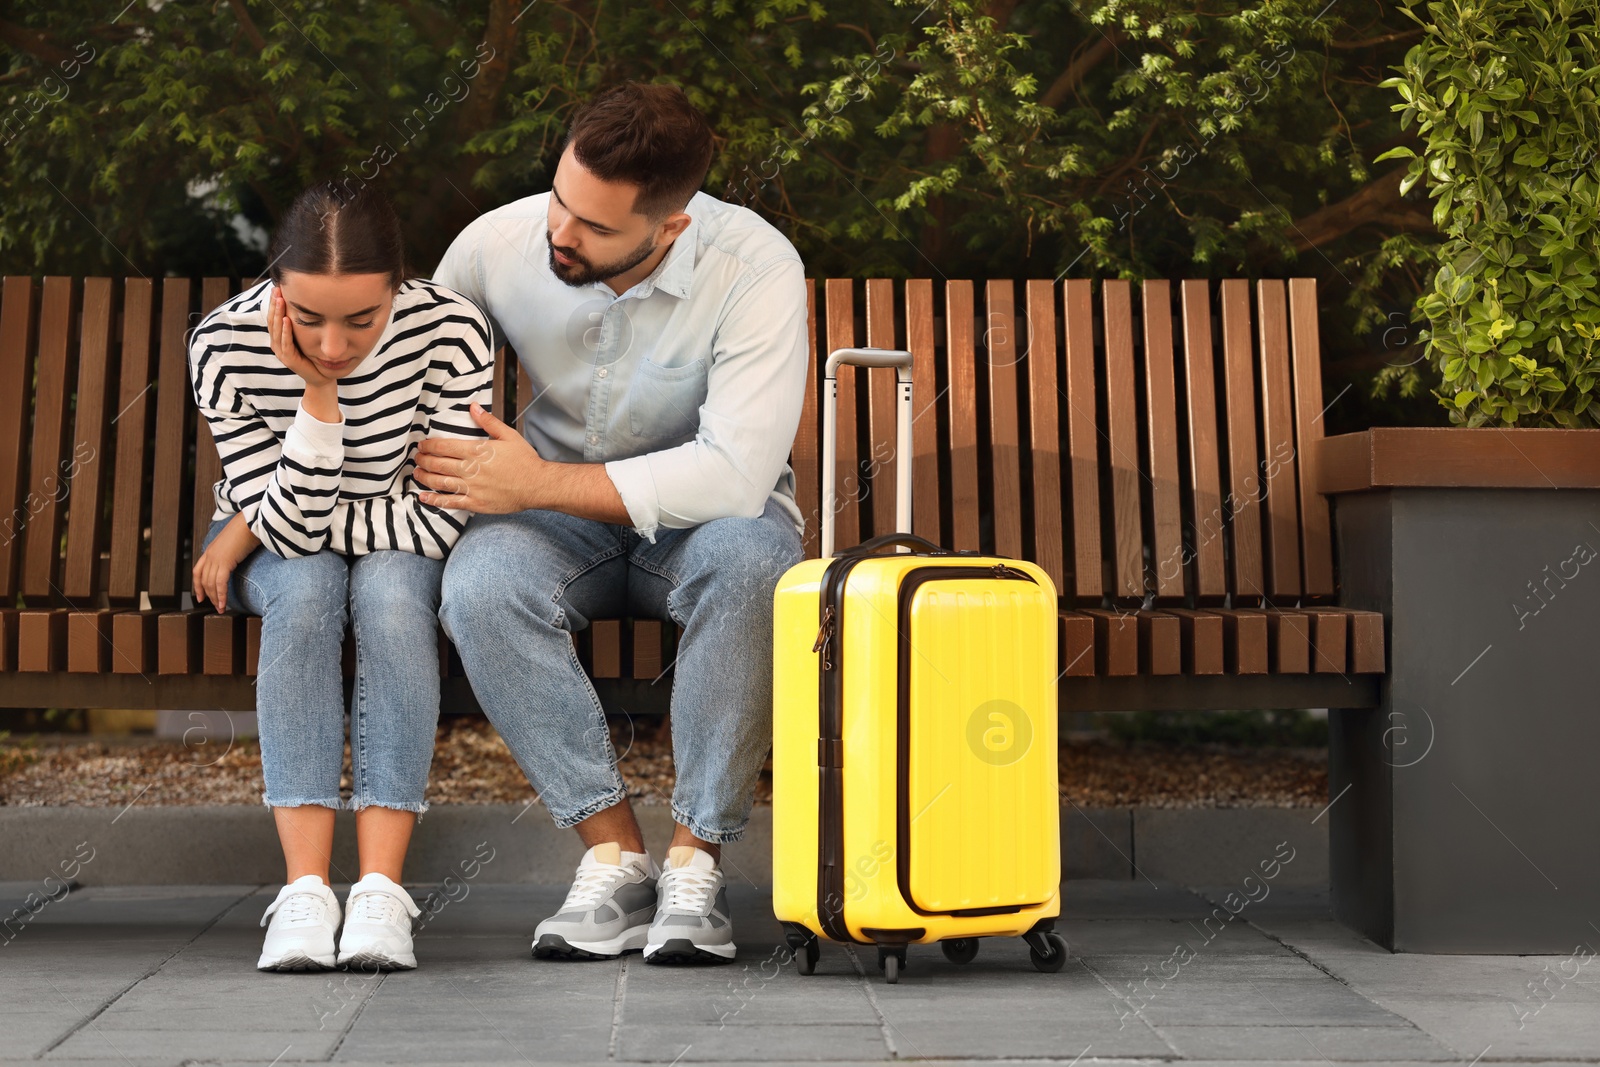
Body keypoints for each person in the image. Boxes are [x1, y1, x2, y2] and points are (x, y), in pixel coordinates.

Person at [424, 81, 808, 964]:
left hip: (710, 521)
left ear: (668, 227)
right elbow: (422, 387)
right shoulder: (492, 246)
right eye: (561, 200)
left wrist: (537, 481)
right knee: (478, 586)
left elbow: (733, 473)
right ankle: (614, 854)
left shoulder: (756, 266)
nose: (561, 233)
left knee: (755, 573)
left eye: (596, 228)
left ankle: (694, 865)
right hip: (552, 516)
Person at [188, 181, 494, 972]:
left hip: (365, 536)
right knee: (312, 586)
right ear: (274, 286)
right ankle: (305, 891)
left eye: (362, 319)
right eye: (308, 316)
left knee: (391, 595)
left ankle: (381, 892)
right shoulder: (223, 345)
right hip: (286, 546)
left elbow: (439, 518)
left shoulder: (451, 329)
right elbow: (288, 535)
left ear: (400, 285)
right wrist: (319, 402)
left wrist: (251, 527)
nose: (331, 345)